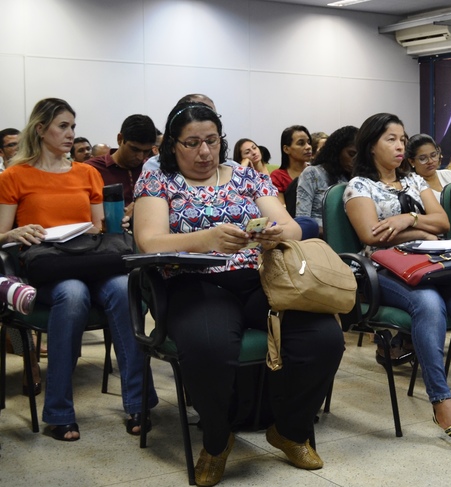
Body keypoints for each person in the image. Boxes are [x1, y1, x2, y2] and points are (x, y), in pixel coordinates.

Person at [134, 101, 343, 485]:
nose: (204, 152)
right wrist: (207, 238)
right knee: (210, 346)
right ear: (173, 146)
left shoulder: (246, 177)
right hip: (192, 282)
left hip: (256, 278)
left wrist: (277, 233)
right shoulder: (158, 178)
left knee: (325, 337)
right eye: (192, 143)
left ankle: (289, 430)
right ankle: (217, 440)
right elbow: (149, 241)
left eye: (212, 141)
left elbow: (293, 227)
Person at [0, 98, 157, 441]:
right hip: (46, 266)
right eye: (63, 126)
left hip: (88, 258)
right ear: (40, 129)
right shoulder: (14, 175)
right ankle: (58, 411)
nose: (71, 133)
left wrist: (103, 225)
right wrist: (13, 232)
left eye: (73, 126)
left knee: (121, 288)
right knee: (73, 293)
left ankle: (138, 402)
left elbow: (102, 228)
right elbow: (1, 233)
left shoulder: (87, 173)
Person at [343, 112, 451, 441]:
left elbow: (442, 223)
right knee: (428, 304)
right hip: (386, 270)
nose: (400, 146)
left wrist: (405, 220)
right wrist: (418, 229)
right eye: (391, 139)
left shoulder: (415, 181)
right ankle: (441, 401)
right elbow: (372, 235)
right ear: (371, 146)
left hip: (433, 264)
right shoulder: (358, 186)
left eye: (402, 139)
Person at [85, 114, 157, 206]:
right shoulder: (92, 169)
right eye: (134, 149)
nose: (140, 157)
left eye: (146, 151)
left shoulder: (152, 170)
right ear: (120, 139)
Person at [296, 125, 358, 233]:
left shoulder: (357, 179)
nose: (355, 161)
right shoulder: (312, 173)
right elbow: (302, 220)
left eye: (359, 156)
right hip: (319, 241)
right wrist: (335, 235)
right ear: (337, 151)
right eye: (351, 154)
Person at [407, 133, 451, 202]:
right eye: (423, 158)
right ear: (412, 161)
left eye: (433, 155)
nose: (430, 161)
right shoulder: (411, 186)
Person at [271, 125, 312, 204]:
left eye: (309, 142)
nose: (308, 147)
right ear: (286, 149)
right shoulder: (278, 177)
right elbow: (281, 209)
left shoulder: (316, 171)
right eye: (301, 143)